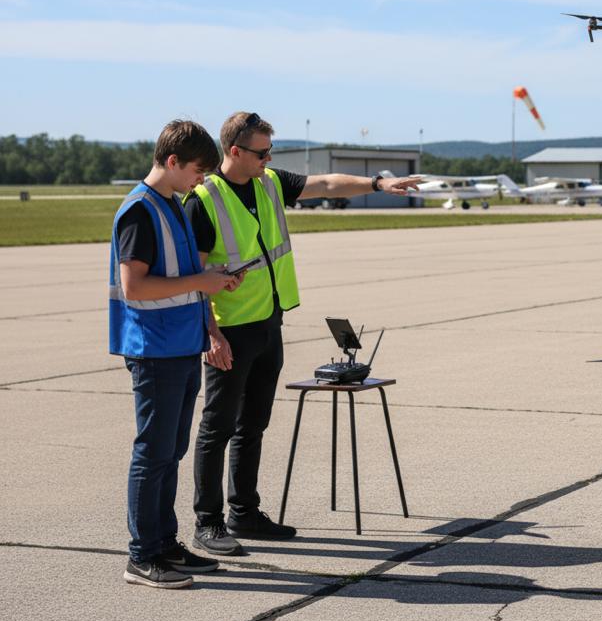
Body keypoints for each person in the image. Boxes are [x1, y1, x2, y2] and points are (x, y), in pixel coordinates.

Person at [185, 111, 420, 556]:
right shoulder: (204, 199)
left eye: (270, 151)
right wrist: (210, 335)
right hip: (229, 330)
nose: (269, 159)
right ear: (235, 151)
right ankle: (207, 522)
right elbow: (195, 277)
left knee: (252, 425)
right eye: (262, 152)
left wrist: (378, 185)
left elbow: (325, 185)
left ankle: (244, 513)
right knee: (217, 428)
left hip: (268, 324)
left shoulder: (267, 182)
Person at [110, 119, 244, 588]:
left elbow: (187, 277)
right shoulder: (140, 211)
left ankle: (165, 544)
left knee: (171, 451)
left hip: (182, 344)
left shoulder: (173, 206)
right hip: (154, 349)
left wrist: (213, 296)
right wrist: (200, 283)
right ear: (172, 162)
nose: (202, 181)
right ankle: (142, 555)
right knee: (153, 452)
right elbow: (134, 287)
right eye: (197, 172)